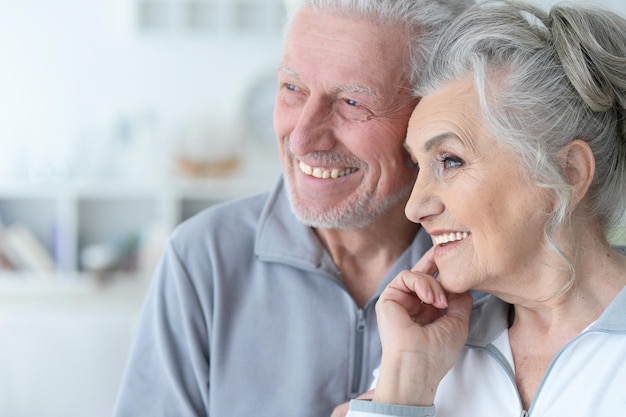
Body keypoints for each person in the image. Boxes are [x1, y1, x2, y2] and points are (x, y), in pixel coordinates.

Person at [112, 1, 475, 416]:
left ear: (430, 113)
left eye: (352, 103)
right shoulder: (202, 259)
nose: (301, 138)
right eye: (291, 89)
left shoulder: (481, 272)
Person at [344, 1, 626, 416]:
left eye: (450, 160)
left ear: (566, 173)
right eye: (418, 165)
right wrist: (406, 378)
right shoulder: (427, 347)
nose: (416, 207)